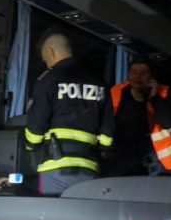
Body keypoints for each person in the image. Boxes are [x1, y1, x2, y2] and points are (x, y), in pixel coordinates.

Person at [24, 32, 114, 194]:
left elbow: (35, 129)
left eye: (46, 61)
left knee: (51, 216)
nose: (47, 65)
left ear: (50, 53)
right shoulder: (99, 82)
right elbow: (107, 133)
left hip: (55, 168)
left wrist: (30, 147)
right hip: (88, 167)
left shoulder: (49, 79)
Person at [105, 56, 171, 176]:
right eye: (134, 72)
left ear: (151, 76)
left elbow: (168, 123)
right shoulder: (117, 91)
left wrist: (154, 97)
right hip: (121, 156)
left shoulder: (165, 93)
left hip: (154, 157)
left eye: (143, 73)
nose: (137, 76)